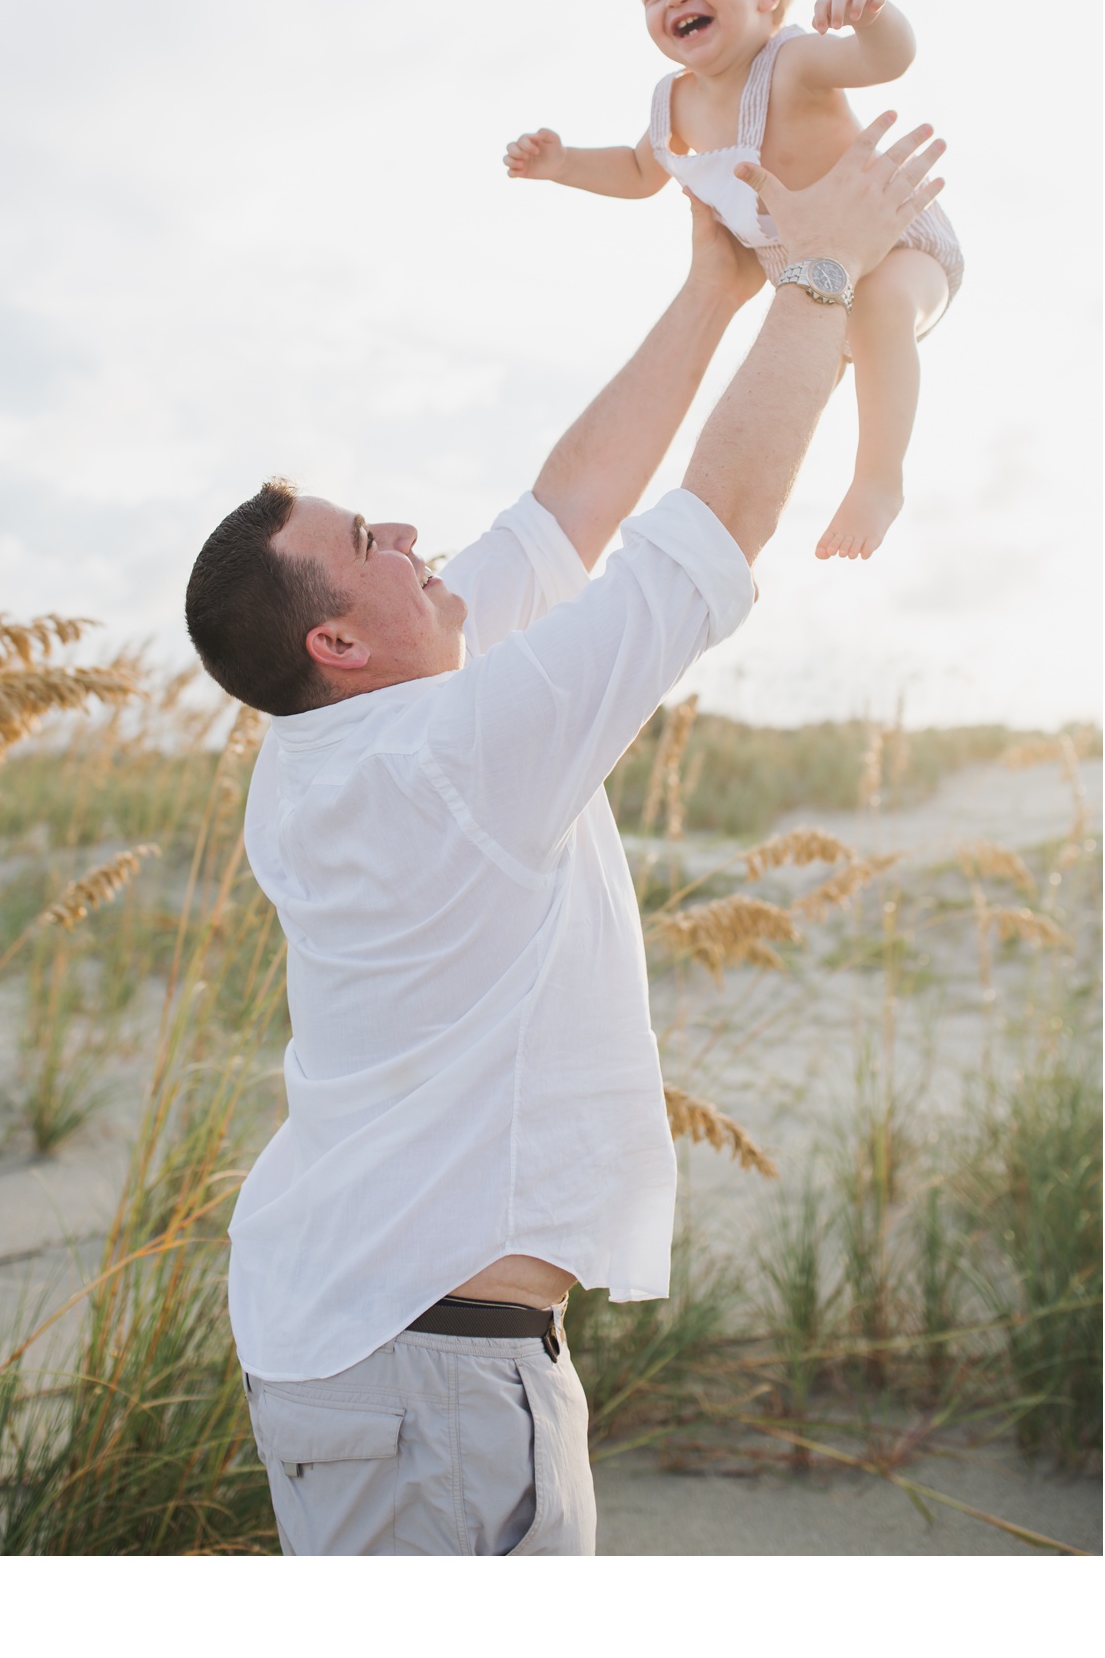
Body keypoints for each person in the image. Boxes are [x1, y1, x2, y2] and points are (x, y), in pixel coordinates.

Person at [184, 114, 947, 1556]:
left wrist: (714, 284)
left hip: (353, 1346)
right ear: (339, 635)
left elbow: (567, 509)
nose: (410, 533)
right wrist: (823, 274)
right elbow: (706, 525)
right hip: (434, 1379)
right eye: (370, 542)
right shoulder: (446, 754)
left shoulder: (329, 744)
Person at [505, 0, 964, 562]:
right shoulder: (674, 105)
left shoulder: (794, 61)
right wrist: (563, 164)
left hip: (894, 242)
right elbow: (637, 175)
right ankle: (742, 538)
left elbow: (886, 60)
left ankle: (877, 479)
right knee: (778, 399)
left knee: (877, 308)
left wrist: (873, 17)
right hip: (803, 277)